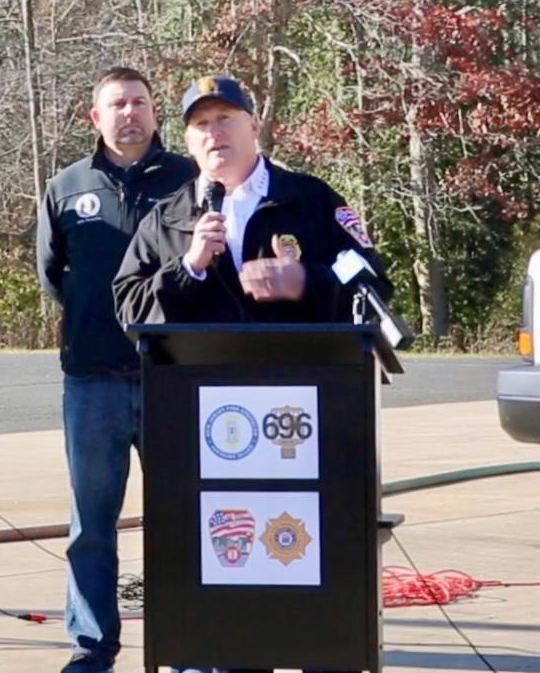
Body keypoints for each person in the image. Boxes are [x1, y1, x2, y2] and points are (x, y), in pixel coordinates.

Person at [113, 75, 392, 673]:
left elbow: (370, 280)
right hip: (210, 436)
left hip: (306, 425)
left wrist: (305, 282)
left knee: (307, 565)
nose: (215, 134)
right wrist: (187, 268)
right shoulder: (170, 219)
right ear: (187, 142)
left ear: (253, 126)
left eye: (225, 120)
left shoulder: (310, 201)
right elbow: (129, 308)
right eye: (201, 126)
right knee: (226, 576)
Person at [36, 67, 195, 673]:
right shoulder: (66, 186)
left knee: (181, 518)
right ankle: (91, 645)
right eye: (117, 104)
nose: (129, 113)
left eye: (139, 103)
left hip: (172, 378)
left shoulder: (191, 179)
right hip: (92, 379)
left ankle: (188, 643)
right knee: (91, 526)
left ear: (155, 114)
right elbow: (55, 275)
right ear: (94, 117)